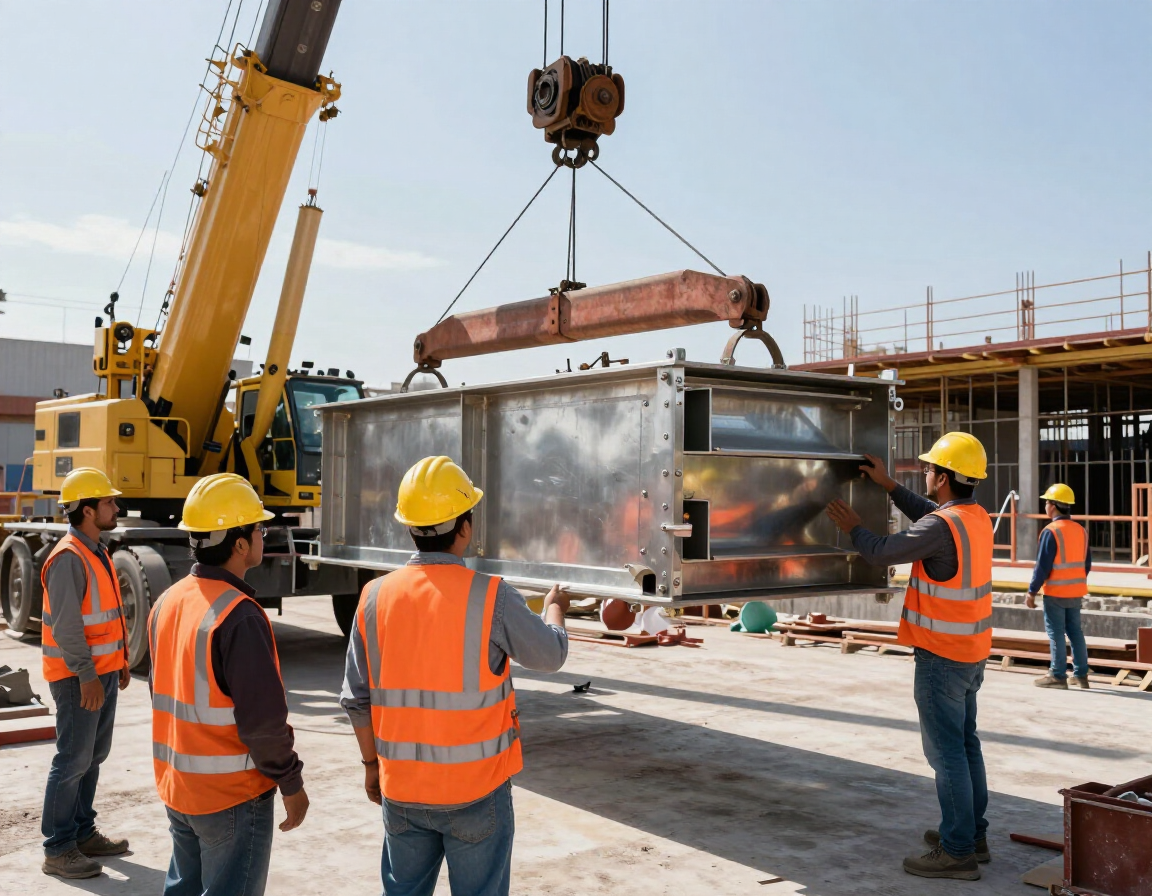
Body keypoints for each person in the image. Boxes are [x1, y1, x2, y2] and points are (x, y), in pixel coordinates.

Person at [341, 456, 570, 896]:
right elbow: (550, 654)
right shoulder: (491, 597)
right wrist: (555, 607)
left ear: (408, 527)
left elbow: (356, 699)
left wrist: (372, 766)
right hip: (475, 792)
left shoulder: (373, 597)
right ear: (464, 528)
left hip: (402, 791)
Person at [826, 432, 993, 882]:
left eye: (929, 469)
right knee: (965, 745)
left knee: (947, 755)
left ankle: (957, 851)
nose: (925, 473)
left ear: (942, 477)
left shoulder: (943, 526)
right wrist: (890, 486)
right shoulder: (973, 517)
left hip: (941, 657)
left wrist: (853, 527)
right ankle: (972, 835)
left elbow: (882, 553)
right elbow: (931, 517)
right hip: (971, 653)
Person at [149, 473, 309, 896]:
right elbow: (263, 724)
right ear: (239, 544)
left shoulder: (167, 600)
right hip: (231, 797)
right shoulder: (240, 615)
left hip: (178, 787)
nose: (263, 534)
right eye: (259, 528)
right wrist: (291, 783)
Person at [39, 467, 131, 880]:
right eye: (109, 502)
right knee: (72, 759)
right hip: (79, 677)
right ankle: (58, 849)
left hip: (102, 672)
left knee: (93, 756)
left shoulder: (97, 550)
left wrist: (120, 660)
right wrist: (88, 675)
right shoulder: (68, 558)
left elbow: (106, 617)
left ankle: (81, 831)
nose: (116, 506)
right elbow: (67, 626)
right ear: (89, 510)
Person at [1026, 484, 1091, 689]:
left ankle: (1058, 675)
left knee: (1056, 633)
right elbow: (1086, 564)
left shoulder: (1051, 531)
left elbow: (1042, 566)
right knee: (1075, 632)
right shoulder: (1080, 530)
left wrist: (1032, 591)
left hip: (1055, 592)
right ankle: (1081, 675)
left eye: (1046, 502)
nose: (1045, 506)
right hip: (1075, 592)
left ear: (1053, 506)